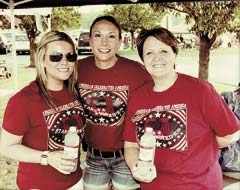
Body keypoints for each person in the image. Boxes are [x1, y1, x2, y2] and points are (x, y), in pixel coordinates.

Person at [123, 27, 240, 190]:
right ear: (143, 59)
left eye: (164, 50)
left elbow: (232, 133)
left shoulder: (201, 90)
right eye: (149, 53)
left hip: (199, 185)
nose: (157, 57)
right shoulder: (138, 97)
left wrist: (204, 147)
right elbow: (130, 145)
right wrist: (137, 168)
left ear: (175, 53)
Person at [0, 31, 85, 190]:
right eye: (55, 57)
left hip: (75, 181)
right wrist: (46, 157)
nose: (64, 62)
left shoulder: (73, 91)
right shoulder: (23, 100)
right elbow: (6, 147)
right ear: (42, 60)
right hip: (38, 185)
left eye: (70, 56)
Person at [77, 15, 150, 190]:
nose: (104, 43)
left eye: (111, 36)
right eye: (98, 35)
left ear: (119, 41)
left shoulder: (136, 71)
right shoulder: (77, 69)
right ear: (90, 40)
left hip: (127, 157)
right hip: (93, 157)